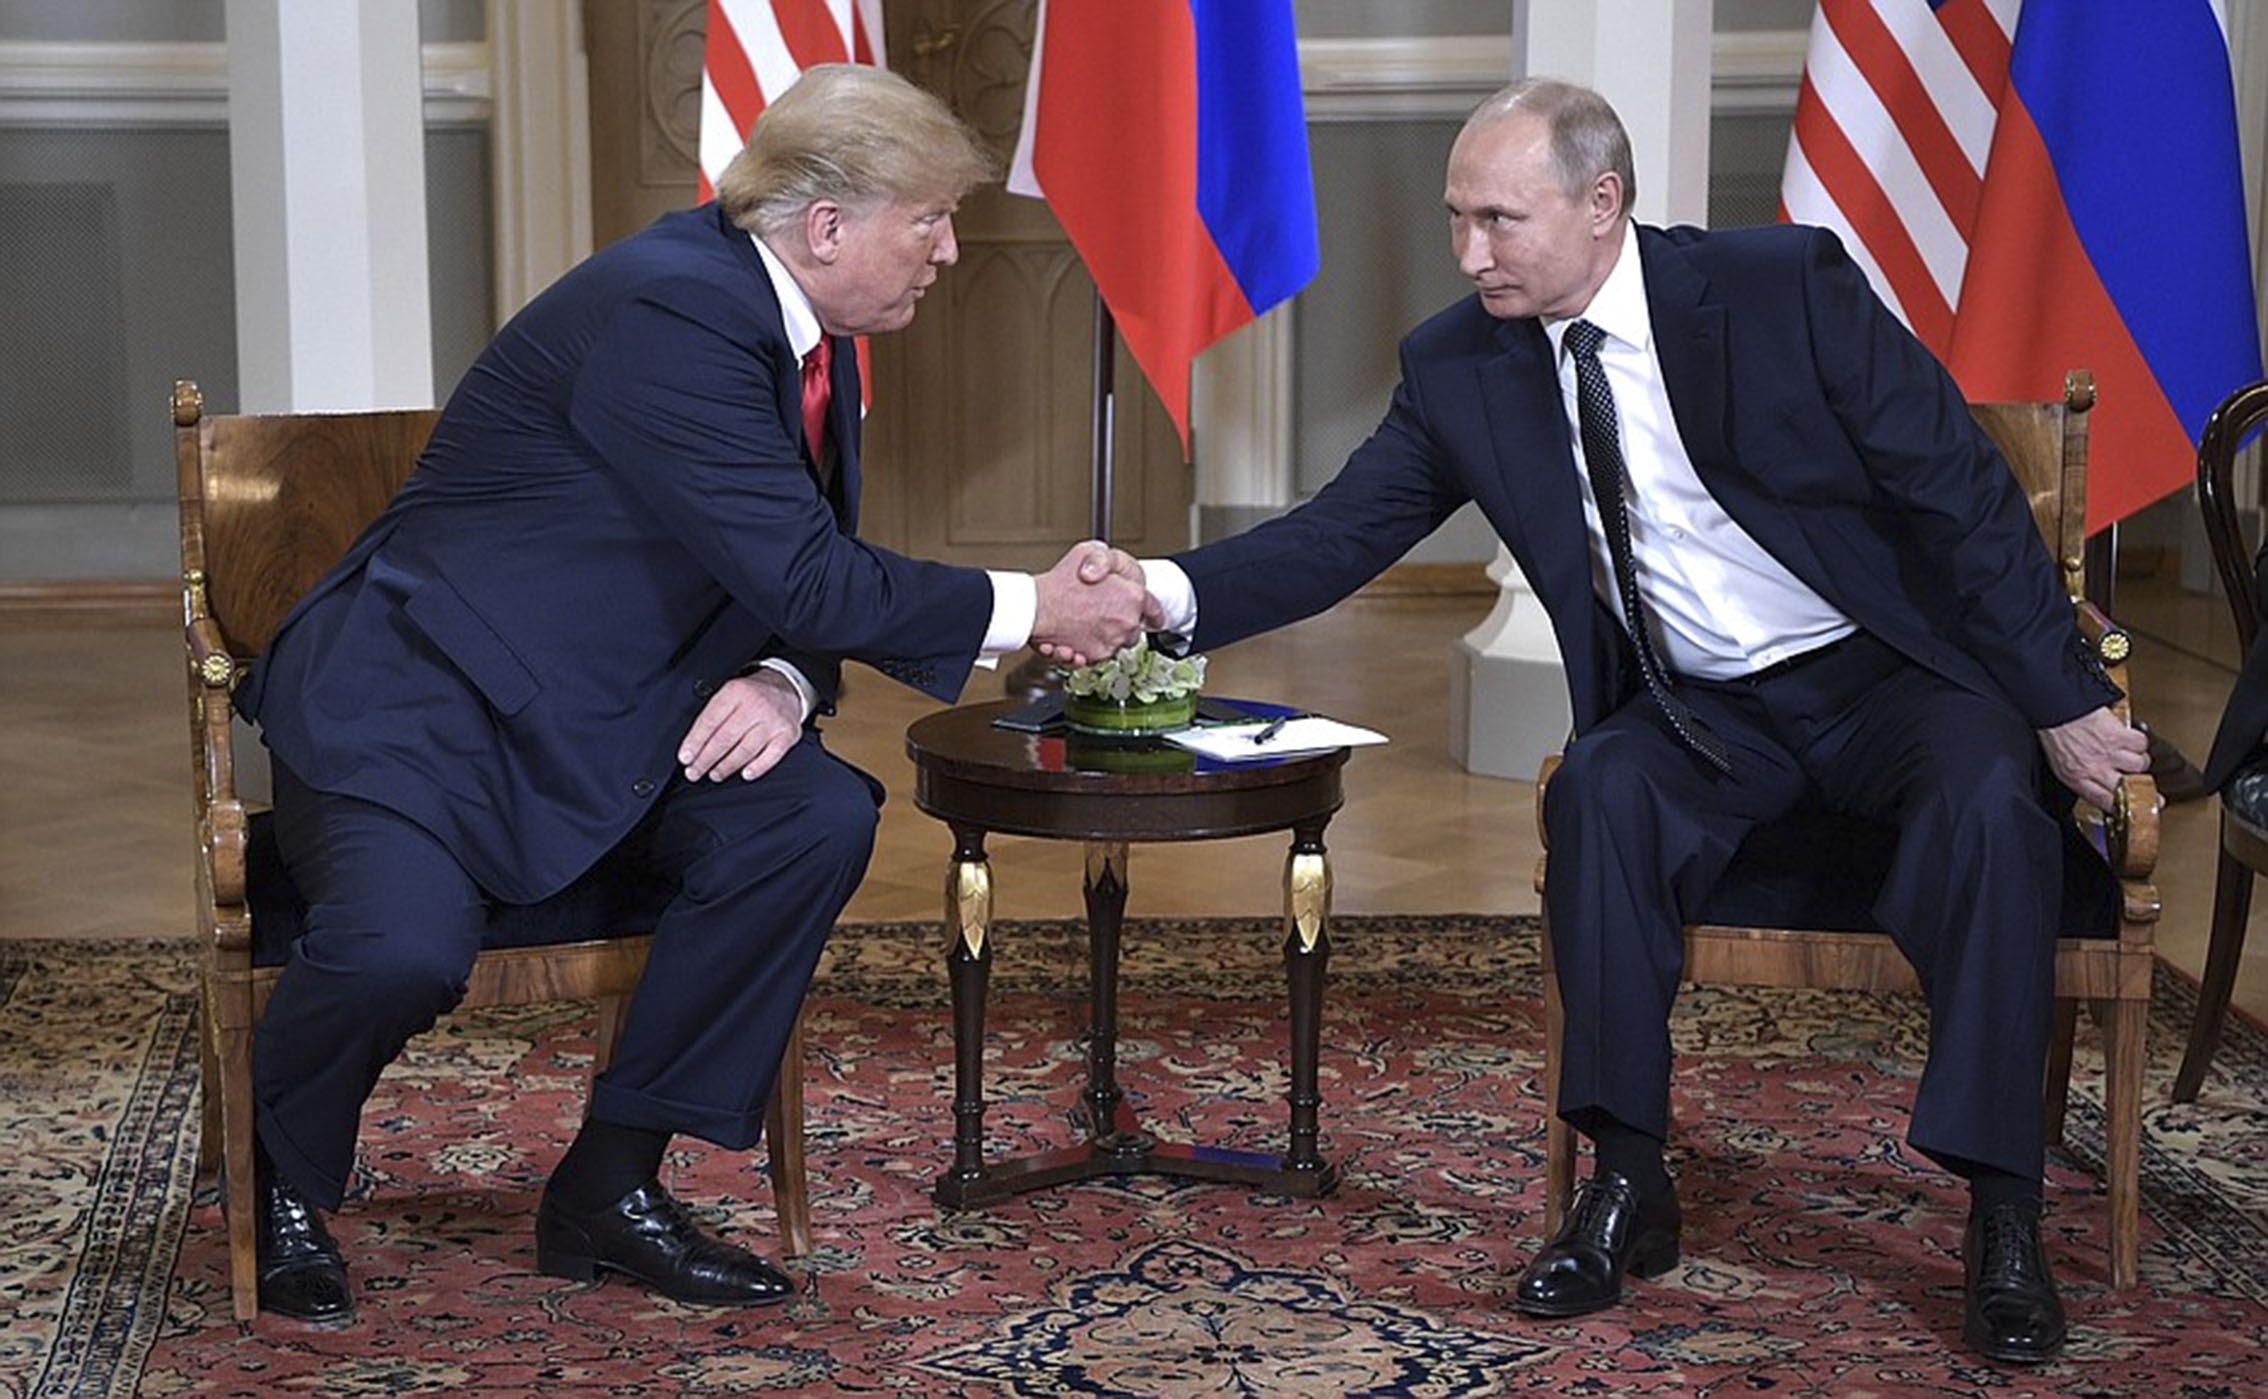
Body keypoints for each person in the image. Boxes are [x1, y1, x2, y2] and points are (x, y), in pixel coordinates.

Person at [1127, 78, 2148, 1364]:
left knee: (1994, 804)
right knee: (1597, 791)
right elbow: (1340, 533)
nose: (1468, 252)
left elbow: (1964, 500)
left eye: (1499, 218)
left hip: (1885, 677)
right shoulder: (1461, 364)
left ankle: (2001, 1210)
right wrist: (1162, 593)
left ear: (1602, 204)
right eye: (1457, 218)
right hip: (1698, 706)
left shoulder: (1782, 289)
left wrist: (2058, 700)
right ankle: (1624, 1179)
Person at [233, 63, 1148, 1325]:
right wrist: (1035, 608)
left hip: (614, 707)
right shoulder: (673, 312)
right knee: (400, 948)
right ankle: (275, 1172)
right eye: (930, 218)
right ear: (826, 228)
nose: (948, 249)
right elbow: (811, 569)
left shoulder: (796, 331)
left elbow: (776, 568)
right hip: (423, 710)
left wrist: (781, 676)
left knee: (809, 816)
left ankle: (609, 1183)